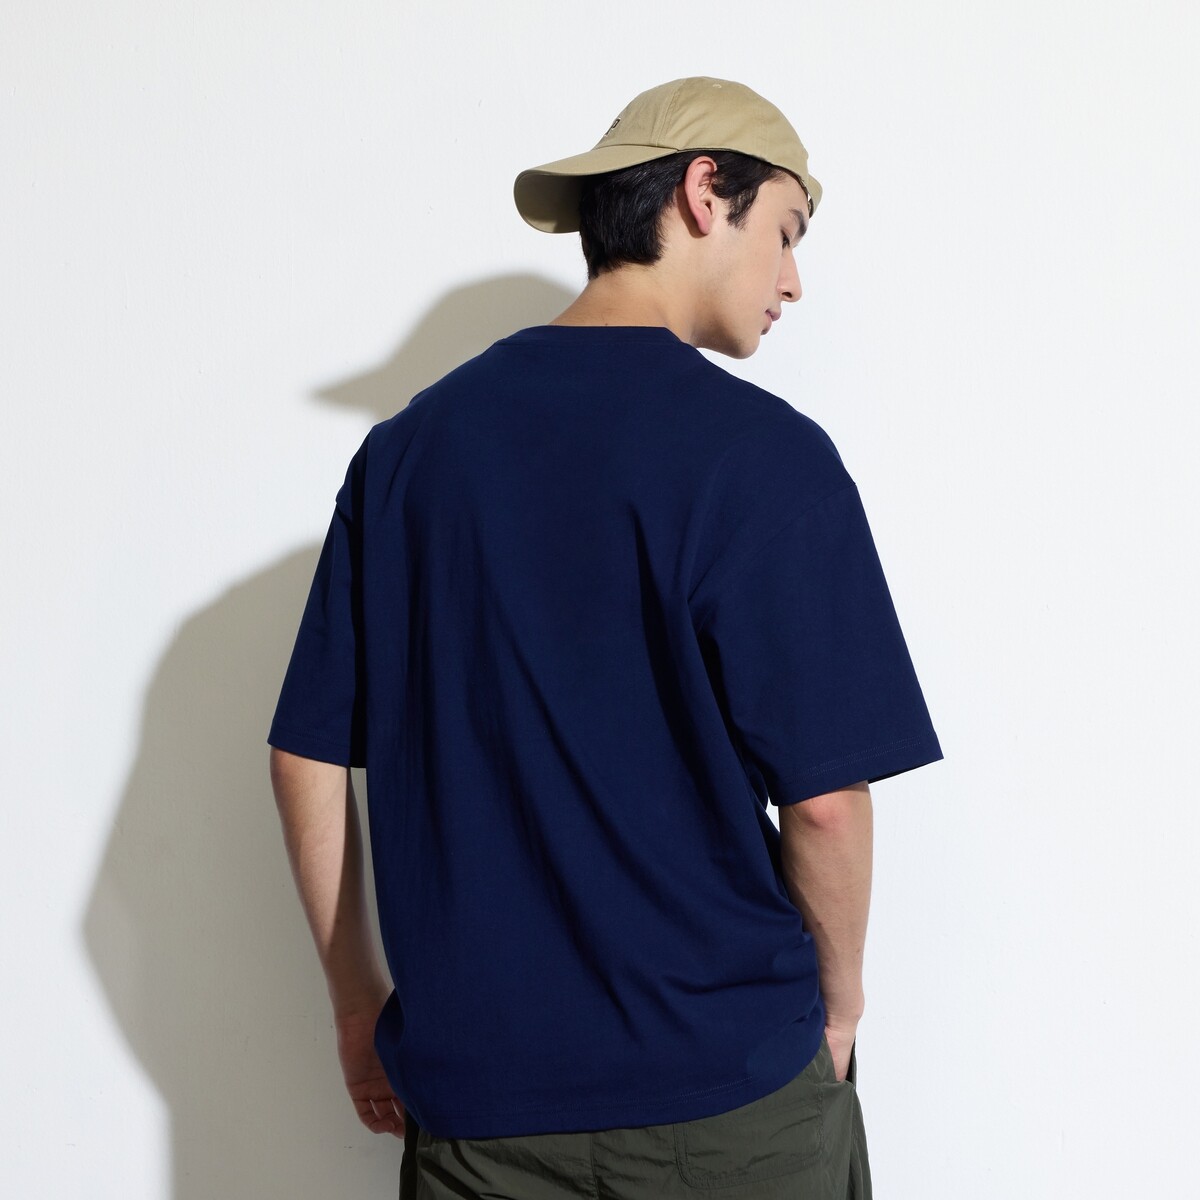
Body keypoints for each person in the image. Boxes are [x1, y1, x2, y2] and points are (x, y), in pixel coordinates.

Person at [267, 76, 943, 1199]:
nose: (793, 280)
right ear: (703, 192)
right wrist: (837, 1015)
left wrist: (356, 1007)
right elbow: (826, 802)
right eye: (786, 231)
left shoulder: (407, 454)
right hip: (729, 1105)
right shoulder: (763, 456)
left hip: (481, 1118)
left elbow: (305, 752)